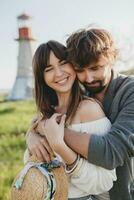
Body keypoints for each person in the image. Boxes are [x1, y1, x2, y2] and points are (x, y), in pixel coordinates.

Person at [26, 28, 134, 200]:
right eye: (80, 69)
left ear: (112, 59)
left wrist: (52, 132)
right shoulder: (79, 89)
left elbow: (112, 152)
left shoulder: (129, 92)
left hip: (119, 194)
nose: (89, 78)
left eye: (96, 68)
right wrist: (32, 132)